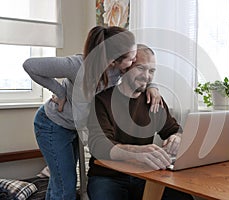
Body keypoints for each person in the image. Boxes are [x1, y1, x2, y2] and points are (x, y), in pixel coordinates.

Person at [23, 26, 162, 200]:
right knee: (65, 187)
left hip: (73, 127)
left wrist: (153, 87)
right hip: (53, 125)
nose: (134, 61)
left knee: (60, 180)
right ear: (113, 60)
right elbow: (30, 65)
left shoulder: (118, 70)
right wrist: (60, 93)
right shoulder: (77, 66)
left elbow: (141, 73)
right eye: (132, 58)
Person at [87, 44, 194, 200]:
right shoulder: (102, 100)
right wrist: (136, 152)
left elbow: (174, 130)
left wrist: (176, 138)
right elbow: (99, 146)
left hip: (145, 175)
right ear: (125, 68)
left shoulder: (154, 101)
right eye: (141, 68)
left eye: (151, 71)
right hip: (108, 176)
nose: (146, 76)